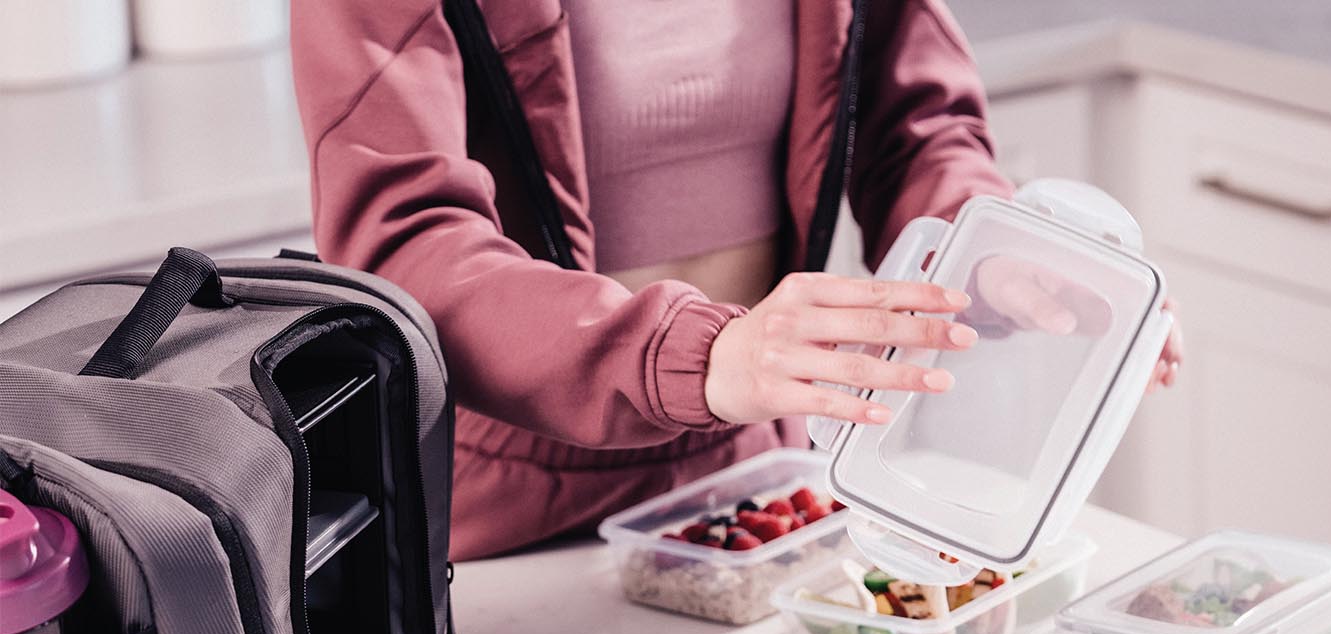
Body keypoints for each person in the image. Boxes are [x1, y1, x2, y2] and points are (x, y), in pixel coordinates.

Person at [290, 0, 1182, 559]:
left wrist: (995, 252)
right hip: (512, 523)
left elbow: (915, 130)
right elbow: (402, 245)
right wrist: (695, 351)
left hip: (766, 481)